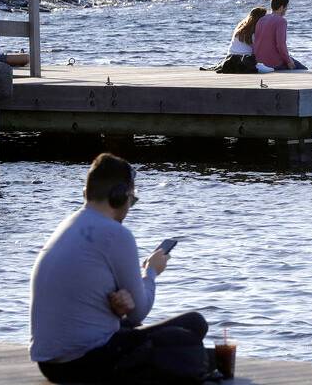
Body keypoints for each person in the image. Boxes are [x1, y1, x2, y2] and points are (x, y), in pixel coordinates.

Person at [30, 153, 211, 383]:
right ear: (120, 196)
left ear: (87, 193)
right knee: (194, 325)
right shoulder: (116, 233)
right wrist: (151, 271)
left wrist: (118, 308)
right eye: (131, 200)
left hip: (48, 365)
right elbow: (139, 312)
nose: (129, 207)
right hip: (85, 362)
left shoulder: (68, 225)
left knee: (149, 333)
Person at [253, 0, 307, 70]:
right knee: (303, 69)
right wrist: (288, 61)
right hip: (273, 62)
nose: (286, 9)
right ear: (281, 7)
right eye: (286, 7)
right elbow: (281, 45)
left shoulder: (261, 19)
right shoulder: (281, 21)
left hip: (258, 61)